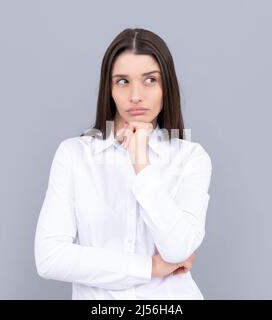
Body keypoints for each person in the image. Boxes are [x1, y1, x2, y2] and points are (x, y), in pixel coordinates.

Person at [34, 27, 212, 299]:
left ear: (167, 86)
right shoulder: (73, 155)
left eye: (150, 80)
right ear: (109, 89)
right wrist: (148, 267)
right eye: (123, 81)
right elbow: (50, 257)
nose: (136, 95)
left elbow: (177, 250)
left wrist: (141, 162)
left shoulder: (191, 157)